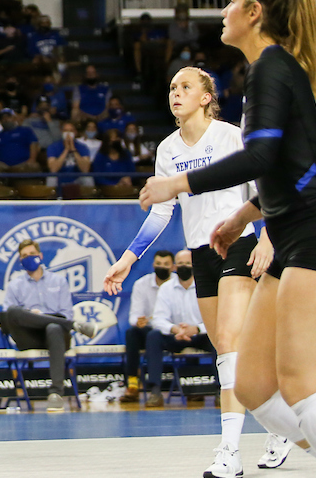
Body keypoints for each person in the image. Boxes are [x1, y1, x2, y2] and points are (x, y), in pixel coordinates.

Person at [139, 0, 316, 478]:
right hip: (294, 242)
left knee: (300, 383)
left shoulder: (273, 67)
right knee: (253, 386)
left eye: (232, 1)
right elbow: (288, 169)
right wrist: (242, 217)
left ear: (255, 13)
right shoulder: (269, 72)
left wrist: (178, 184)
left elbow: (260, 157)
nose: (225, 10)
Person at [105, 66, 289, 476]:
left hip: (238, 245)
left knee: (228, 339)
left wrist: (268, 238)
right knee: (227, 351)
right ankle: (279, 425)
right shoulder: (168, 148)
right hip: (200, 253)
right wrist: (128, 258)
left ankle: (229, 451)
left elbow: (268, 188)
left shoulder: (231, 135)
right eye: (172, 87)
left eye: (186, 87)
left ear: (206, 97)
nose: (176, 93)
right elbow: (161, 211)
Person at [0, 238, 101, 412]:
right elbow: (9, 318)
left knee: (53, 327)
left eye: (32, 254)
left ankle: (56, 393)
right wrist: (31, 315)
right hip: (28, 336)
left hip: (57, 337)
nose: (28, 258)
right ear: (20, 260)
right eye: (24, 255)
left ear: (40, 256)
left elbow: (66, 312)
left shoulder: (58, 281)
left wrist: (45, 317)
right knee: (13, 312)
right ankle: (74, 325)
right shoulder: (15, 285)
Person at [143, 249, 215, 405]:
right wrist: (175, 329)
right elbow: (158, 319)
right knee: (153, 336)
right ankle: (155, 391)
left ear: (195, 265)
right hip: (176, 336)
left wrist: (196, 329)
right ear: (175, 267)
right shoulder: (166, 288)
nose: (184, 267)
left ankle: (221, 390)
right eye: (181, 264)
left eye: (188, 263)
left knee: (220, 338)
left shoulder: (206, 286)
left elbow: (216, 318)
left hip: (201, 335)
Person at [120, 250, 174, 401]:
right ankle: (132, 383)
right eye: (158, 264)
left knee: (154, 335)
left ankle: (194, 385)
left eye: (166, 264)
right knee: (133, 332)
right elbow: (134, 315)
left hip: (173, 331)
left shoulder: (177, 284)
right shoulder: (142, 284)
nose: (161, 267)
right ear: (153, 265)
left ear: (173, 267)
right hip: (151, 331)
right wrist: (138, 321)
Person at [45, 121, 91, 185]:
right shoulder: (53, 147)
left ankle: (89, 195)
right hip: (60, 178)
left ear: (75, 132)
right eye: (65, 131)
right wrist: (66, 150)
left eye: (71, 131)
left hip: (77, 178)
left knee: (88, 178)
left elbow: (85, 169)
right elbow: (53, 169)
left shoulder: (82, 147)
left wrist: (73, 149)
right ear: (62, 132)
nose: (68, 134)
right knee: (51, 178)